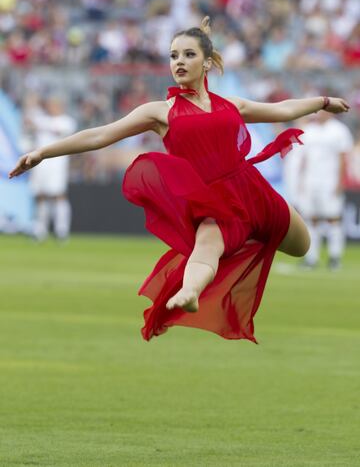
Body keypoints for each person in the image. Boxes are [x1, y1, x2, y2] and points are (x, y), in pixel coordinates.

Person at [9, 17, 350, 342]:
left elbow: (283, 109)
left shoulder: (230, 104)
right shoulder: (161, 112)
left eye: (189, 54)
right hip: (215, 203)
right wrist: (43, 152)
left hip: (252, 190)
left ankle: (223, 267)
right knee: (207, 247)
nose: (179, 62)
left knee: (302, 245)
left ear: (208, 63)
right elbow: (100, 135)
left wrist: (323, 102)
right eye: (173, 55)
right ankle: (190, 291)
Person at [297, 111, 354, 269]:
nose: (319, 113)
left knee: (333, 218)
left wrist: (340, 181)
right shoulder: (309, 130)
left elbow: (343, 157)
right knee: (311, 218)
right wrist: (301, 179)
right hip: (311, 181)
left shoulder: (339, 130)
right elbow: (304, 157)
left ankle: (335, 257)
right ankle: (311, 258)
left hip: (329, 181)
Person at [25, 95, 77, 241]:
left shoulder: (67, 122)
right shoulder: (42, 119)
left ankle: (61, 230)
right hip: (40, 165)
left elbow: (58, 132)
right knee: (40, 195)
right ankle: (40, 230)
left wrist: (38, 124)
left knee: (58, 195)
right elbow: (28, 122)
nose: (51, 107)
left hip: (57, 164)